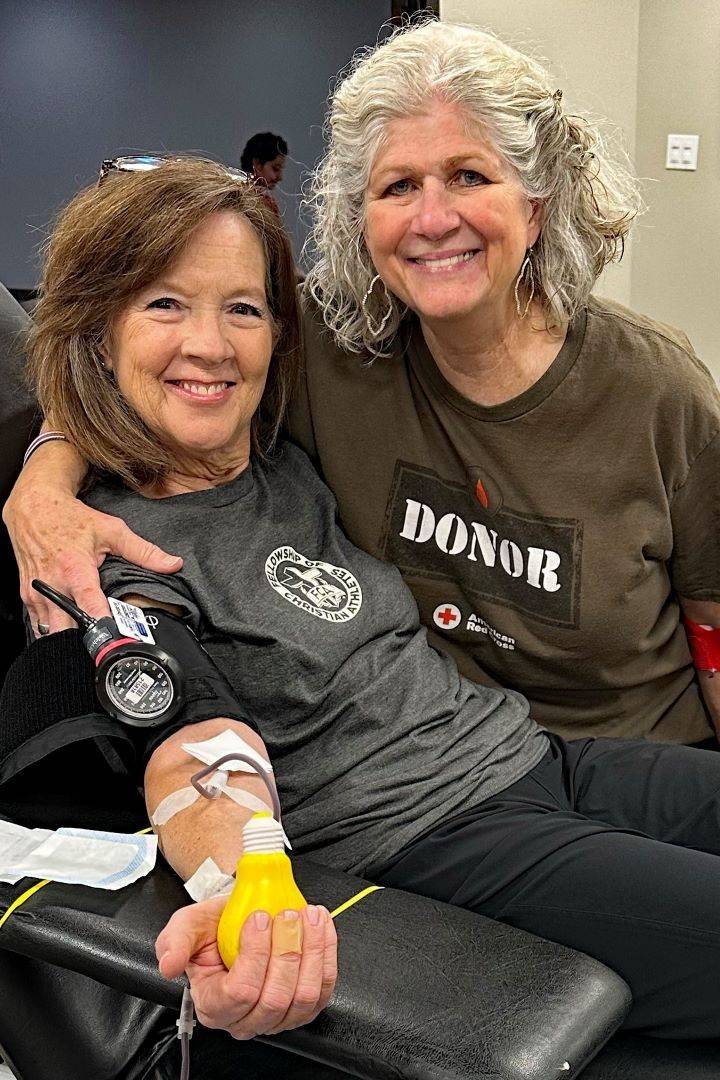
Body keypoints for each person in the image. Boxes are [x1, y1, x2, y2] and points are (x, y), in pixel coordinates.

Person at [9, 153, 720, 1047]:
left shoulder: (282, 447)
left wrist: (49, 454)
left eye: (243, 308)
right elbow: (189, 735)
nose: (212, 344)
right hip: (430, 841)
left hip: (541, 759)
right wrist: (249, 892)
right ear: (96, 334)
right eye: (163, 304)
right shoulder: (106, 554)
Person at [5, 21, 720, 747]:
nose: (433, 219)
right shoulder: (321, 343)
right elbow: (136, 380)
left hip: (641, 767)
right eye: (398, 186)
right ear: (361, 219)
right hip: (443, 765)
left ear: (534, 206)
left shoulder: (658, 392)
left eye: (470, 176)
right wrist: (43, 486)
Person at [240, 131, 287, 216]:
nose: (280, 177)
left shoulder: (267, 202)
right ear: (258, 164)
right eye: (276, 168)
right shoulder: (240, 199)